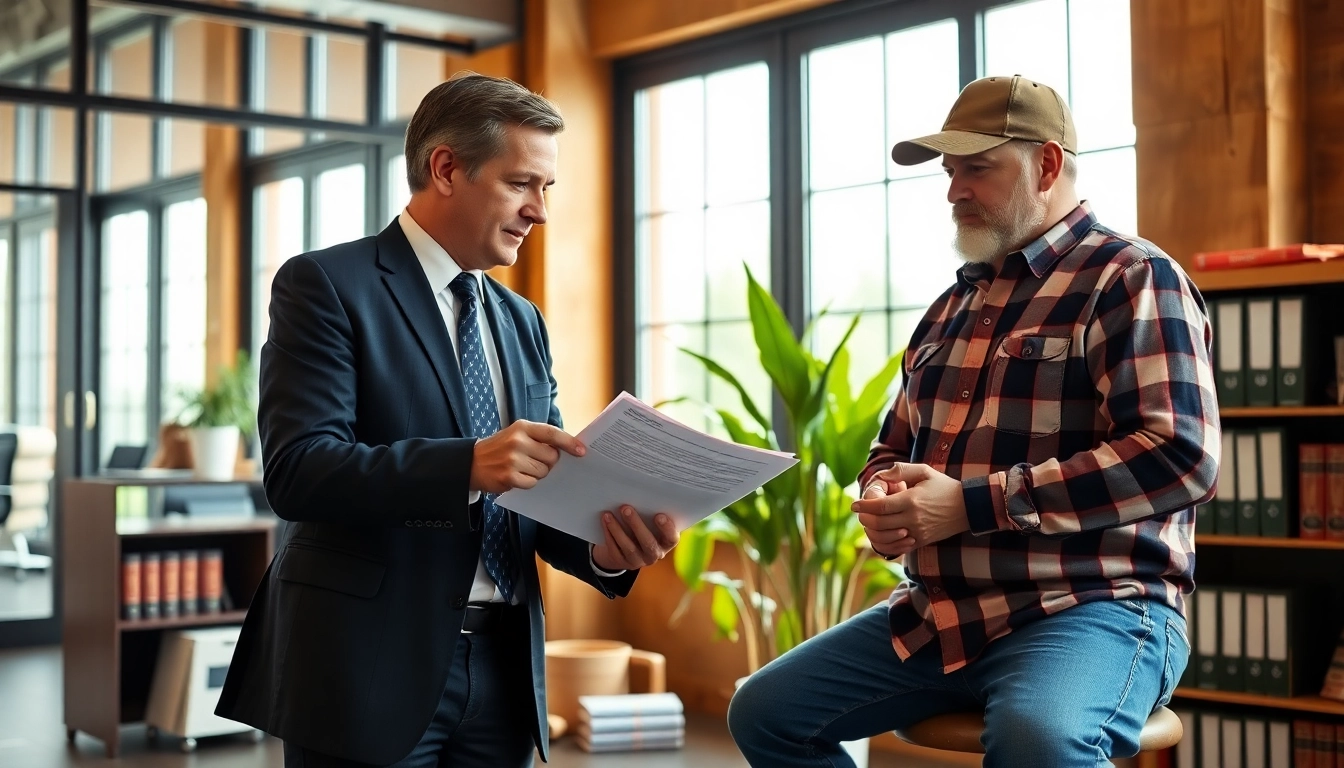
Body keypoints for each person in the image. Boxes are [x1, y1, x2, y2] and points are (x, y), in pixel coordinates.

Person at [728, 74, 1217, 767]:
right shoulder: (949, 309)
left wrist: (969, 505)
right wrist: (883, 496)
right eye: (950, 172)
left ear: (1047, 164)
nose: (954, 190)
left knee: (1037, 739)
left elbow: (1179, 456)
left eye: (976, 169)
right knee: (766, 713)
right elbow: (891, 447)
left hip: (1093, 608)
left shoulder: (1132, 277)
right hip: (941, 615)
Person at [216, 72, 680, 768]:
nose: (540, 210)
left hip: (505, 674)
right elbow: (298, 470)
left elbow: (539, 491)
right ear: (446, 169)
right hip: (365, 668)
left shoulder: (522, 320)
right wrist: (466, 465)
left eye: (547, 188)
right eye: (522, 183)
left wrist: (604, 548)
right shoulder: (325, 285)